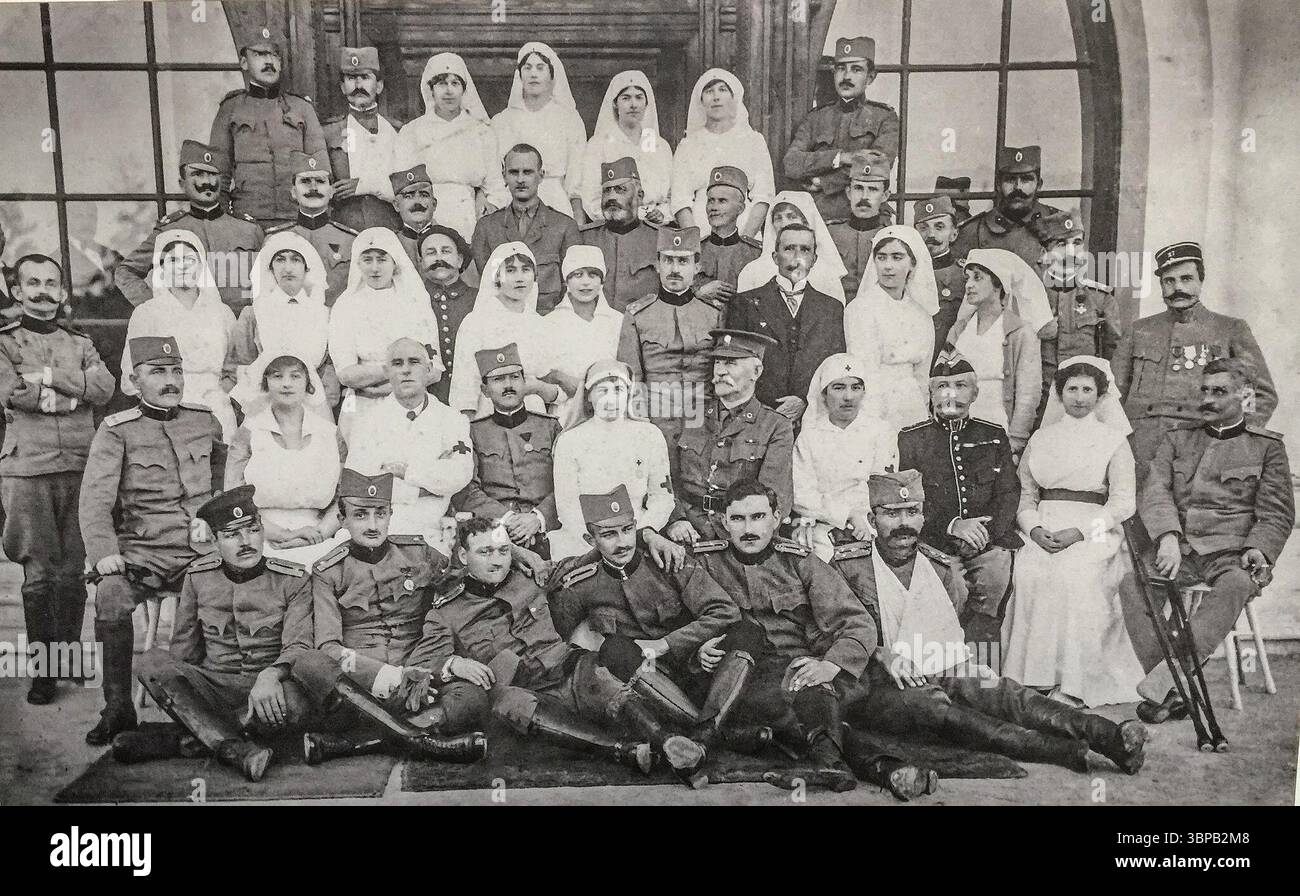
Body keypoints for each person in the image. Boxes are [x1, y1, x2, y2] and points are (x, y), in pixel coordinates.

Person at [835, 471, 1149, 776]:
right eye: (892, 513)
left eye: (912, 512)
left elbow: (948, 632)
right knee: (940, 707)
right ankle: (1063, 752)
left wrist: (961, 669)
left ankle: (1108, 735)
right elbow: (823, 634)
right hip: (875, 685)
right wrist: (879, 652)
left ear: (922, 517)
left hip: (934, 665)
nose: (904, 523)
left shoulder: (938, 568)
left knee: (1000, 691)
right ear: (873, 520)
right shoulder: (848, 567)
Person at [413, 516, 698, 777]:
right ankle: (624, 752)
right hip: (525, 691)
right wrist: (454, 664)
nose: (497, 561)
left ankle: (667, 741)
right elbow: (420, 662)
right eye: (484, 552)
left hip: (567, 669)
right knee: (511, 703)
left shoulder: (533, 575)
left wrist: (648, 534)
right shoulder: (447, 611)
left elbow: (597, 552)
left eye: (502, 551)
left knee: (598, 674)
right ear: (463, 556)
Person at [548, 485, 762, 774]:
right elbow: (560, 640)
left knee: (749, 630)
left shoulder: (668, 559)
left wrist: (670, 643)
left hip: (699, 670)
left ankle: (700, 737)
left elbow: (724, 611)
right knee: (614, 649)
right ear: (590, 538)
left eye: (627, 530)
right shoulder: (581, 584)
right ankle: (709, 733)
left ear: (636, 527)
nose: (622, 542)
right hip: (647, 684)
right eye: (609, 535)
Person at [79, 336, 226, 745]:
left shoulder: (203, 420)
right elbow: (93, 503)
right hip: (144, 552)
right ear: (133, 380)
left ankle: (218, 699)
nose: (170, 380)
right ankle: (118, 709)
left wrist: (212, 518)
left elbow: (225, 477)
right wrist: (104, 553)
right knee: (109, 595)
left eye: (176, 371)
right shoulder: (116, 432)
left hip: (202, 550)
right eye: (158, 372)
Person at [290, 469, 489, 765]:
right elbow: (330, 648)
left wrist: (520, 554)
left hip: (422, 679)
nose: (373, 525)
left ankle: (357, 743)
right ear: (342, 520)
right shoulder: (328, 572)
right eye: (360, 515)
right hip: (362, 688)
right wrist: (387, 677)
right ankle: (424, 740)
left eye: (380, 514)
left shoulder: (418, 554)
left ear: (390, 514)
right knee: (309, 663)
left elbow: (466, 572)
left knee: (473, 698)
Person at [690, 479, 877, 791]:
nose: (748, 529)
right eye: (738, 519)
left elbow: (857, 622)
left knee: (805, 679)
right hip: (735, 680)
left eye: (758, 517)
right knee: (796, 701)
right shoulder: (706, 563)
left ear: (777, 518)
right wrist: (699, 648)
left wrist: (831, 664)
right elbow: (682, 624)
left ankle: (832, 763)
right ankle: (853, 764)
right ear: (724, 522)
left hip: (795, 673)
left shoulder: (800, 562)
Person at [117, 486, 314, 781]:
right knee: (151, 662)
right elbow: (183, 650)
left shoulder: (294, 580)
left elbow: (299, 646)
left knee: (297, 703)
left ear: (262, 531)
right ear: (214, 540)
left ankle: (187, 738)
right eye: (232, 534)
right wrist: (183, 690)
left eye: (252, 530)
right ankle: (235, 748)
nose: (246, 542)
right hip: (215, 687)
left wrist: (271, 675)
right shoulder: (198, 578)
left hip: (269, 690)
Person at [1135, 358, 1293, 723]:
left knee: (1237, 584)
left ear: (1245, 396)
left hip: (1232, 551)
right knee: (1133, 584)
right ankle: (1171, 682)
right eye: (1204, 390)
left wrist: (1258, 548)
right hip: (1182, 547)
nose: (1207, 399)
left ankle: (1165, 685)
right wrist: (1168, 536)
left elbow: (1277, 513)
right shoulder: (1177, 439)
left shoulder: (1266, 447)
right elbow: (1155, 491)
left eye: (1219, 392)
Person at [0, 255, 115, 704]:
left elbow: (105, 387)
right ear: (17, 291)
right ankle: (43, 672)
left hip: (82, 465)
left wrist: (49, 378)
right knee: (40, 573)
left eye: (51, 283)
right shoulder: (5, 343)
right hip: (28, 467)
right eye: (33, 283)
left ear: (63, 293)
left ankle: (66, 659)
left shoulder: (81, 341)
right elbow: (13, 394)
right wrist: (74, 396)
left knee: (72, 573)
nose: (43, 291)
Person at [1002, 357, 1145, 706]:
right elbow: (1026, 493)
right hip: (1043, 524)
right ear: (1059, 393)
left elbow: (1124, 502)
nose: (1079, 397)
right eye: (1072, 389)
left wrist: (1081, 532)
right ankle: (1032, 676)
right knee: (1030, 571)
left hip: (1095, 527)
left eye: (1087, 390)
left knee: (1074, 575)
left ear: (1100, 396)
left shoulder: (1113, 440)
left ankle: (1074, 682)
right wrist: (1033, 528)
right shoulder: (1042, 437)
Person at [1111, 241, 1276, 480]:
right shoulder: (1139, 330)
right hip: (1141, 453)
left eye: (1186, 279)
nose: (1177, 287)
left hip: (1201, 450)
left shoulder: (1230, 329)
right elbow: (1112, 396)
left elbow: (1261, 395)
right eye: (1169, 281)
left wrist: (1232, 439)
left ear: (1201, 281)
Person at [897, 352, 1020, 650]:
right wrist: (953, 525)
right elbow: (910, 498)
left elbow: (1007, 492)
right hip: (934, 540)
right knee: (950, 590)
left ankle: (984, 677)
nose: (951, 393)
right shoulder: (911, 439)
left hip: (987, 541)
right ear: (930, 394)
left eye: (961, 385)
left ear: (975, 393)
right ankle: (947, 671)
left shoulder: (992, 435)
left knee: (994, 582)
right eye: (942, 386)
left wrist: (984, 533)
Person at [345, 337, 473, 551]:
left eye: (414, 362)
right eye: (397, 363)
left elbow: (460, 473)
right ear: (386, 371)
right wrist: (426, 490)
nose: (406, 370)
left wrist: (406, 472)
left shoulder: (452, 420)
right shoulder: (368, 421)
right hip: (380, 528)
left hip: (432, 530)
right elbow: (359, 485)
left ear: (429, 369)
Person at [667, 329, 794, 543]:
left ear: (756, 371)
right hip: (688, 530)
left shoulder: (775, 426)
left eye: (731, 363)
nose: (720, 372)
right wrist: (675, 520)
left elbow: (775, 497)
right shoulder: (690, 414)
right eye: (718, 362)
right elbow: (667, 479)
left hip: (743, 536)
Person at [115, 140, 264, 311]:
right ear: (182, 183)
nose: (206, 181)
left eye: (212, 174)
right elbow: (125, 272)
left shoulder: (249, 229)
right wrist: (155, 307)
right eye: (198, 174)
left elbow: (270, 279)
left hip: (241, 328)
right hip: (192, 330)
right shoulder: (169, 230)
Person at [549, 361, 676, 560]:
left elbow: (662, 497)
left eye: (618, 389)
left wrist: (644, 532)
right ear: (588, 396)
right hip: (584, 540)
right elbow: (567, 507)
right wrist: (598, 540)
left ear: (629, 393)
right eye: (602, 391)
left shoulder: (649, 435)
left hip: (637, 534)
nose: (611, 399)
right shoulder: (570, 441)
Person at [225, 354, 345, 566]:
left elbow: (346, 495)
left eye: (295, 376)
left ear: (308, 382)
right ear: (265, 382)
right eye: (277, 376)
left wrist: (321, 533)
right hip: (259, 537)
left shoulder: (329, 433)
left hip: (319, 538)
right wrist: (282, 534)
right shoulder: (249, 431)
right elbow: (232, 495)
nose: (287, 384)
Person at [208, 25, 329, 227]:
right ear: (244, 62)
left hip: (296, 218)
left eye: (274, 55)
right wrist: (223, 224)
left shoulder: (301, 108)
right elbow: (218, 174)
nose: (269, 61)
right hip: (247, 219)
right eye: (260, 54)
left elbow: (321, 169)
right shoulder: (231, 109)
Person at [121, 230, 237, 438]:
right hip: (167, 411)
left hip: (216, 408)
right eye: (173, 260)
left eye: (189, 260)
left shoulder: (222, 312)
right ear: (162, 268)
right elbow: (132, 374)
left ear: (201, 265)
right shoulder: (147, 313)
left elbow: (238, 363)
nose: (182, 266)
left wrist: (222, 392)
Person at [617, 226, 723, 453]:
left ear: (697, 267)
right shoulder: (638, 314)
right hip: (656, 420)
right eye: (668, 261)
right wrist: (640, 427)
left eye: (683, 262)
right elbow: (632, 378)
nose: (674, 269)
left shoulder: (714, 314)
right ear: (657, 265)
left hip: (703, 419)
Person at [328, 227, 442, 438]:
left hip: (411, 403)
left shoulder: (415, 302)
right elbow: (345, 374)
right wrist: (404, 372)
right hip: (362, 405)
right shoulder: (346, 305)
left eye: (381, 259)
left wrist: (386, 386)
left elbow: (434, 369)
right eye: (367, 260)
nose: (374, 268)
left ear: (394, 262)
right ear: (357, 263)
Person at [728, 223, 845, 420]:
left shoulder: (832, 309)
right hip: (758, 418)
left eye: (805, 250)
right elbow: (734, 366)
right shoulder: (745, 303)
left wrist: (805, 402)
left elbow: (836, 368)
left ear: (814, 259)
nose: (797, 257)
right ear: (775, 257)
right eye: (789, 248)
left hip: (813, 417)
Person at [455, 344, 561, 556]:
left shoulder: (550, 427)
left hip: (548, 529)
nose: (508, 385)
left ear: (524, 382)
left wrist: (538, 518)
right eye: (498, 380)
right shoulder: (473, 433)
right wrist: (508, 519)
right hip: (494, 530)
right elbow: (467, 491)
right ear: (485, 390)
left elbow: (567, 484)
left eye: (514, 377)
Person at [782, 35, 899, 225]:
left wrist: (823, 182)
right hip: (820, 219)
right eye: (841, 68)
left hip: (868, 220)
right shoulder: (816, 117)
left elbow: (876, 166)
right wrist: (841, 158)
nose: (846, 77)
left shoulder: (884, 117)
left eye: (856, 69)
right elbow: (792, 163)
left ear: (870, 77)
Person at [792, 353, 896, 562]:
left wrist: (863, 519)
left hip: (871, 525)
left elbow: (884, 488)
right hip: (823, 526)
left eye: (855, 387)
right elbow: (801, 494)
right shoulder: (810, 437)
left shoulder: (880, 431)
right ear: (823, 395)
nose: (848, 397)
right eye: (838, 388)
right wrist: (846, 514)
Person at [223, 231, 338, 420]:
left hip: (313, 406)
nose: (288, 268)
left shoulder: (325, 314)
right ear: (270, 268)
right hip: (264, 405)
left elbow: (329, 369)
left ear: (307, 267)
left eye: (295, 260)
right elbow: (241, 368)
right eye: (280, 260)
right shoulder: (253, 314)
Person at [946, 248, 1047, 452]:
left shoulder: (1020, 332)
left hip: (997, 425)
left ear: (997, 284)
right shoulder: (960, 329)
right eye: (967, 279)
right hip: (957, 424)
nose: (969, 285)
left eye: (978, 278)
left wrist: (1016, 441)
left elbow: (1028, 393)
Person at [394, 53, 498, 243]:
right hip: (424, 217)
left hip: (470, 218)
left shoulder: (481, 131)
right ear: (431, 90)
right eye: (442, 83)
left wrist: (487, 205)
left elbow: (496, 185)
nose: (449, 91)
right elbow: (403, 185)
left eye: (455, 83)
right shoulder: (412, 132)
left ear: (464, 90)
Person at [843, 225, 936, 433]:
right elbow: (864, 370)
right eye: (881, 257)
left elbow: (922, 374)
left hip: (912, 405)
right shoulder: (861, 309)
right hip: (876, 405)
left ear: (912, 263)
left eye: (897, 257)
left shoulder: (921, 313)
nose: (888, 266)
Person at [449, 242, 558, 418]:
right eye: (510, 270)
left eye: (526, 270)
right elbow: (465, 385)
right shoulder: (477, 321)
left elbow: (550, 383)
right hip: (489, 416)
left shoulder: (540, 324)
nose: (520, 278)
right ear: (497, 277)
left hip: (533, 414)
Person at [472, 144, 582, 314]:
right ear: (504, 176)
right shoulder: (487, 228)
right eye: (514, 172)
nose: (520, 179)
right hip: (502, 323)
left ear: (541, 175)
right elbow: (487, 287)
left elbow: (571, 288)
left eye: (528, 172)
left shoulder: (564, 227)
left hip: (549, 322)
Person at [671, 69, 774, 238]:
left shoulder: (753, 140)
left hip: (744, 229)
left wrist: (745, 241)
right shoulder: (688, 145)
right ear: (701, 100)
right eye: (709, 91)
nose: (716, 97)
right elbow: (680, 200)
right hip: (701, 230)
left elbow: (764, 196)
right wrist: (695, 241)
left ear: (734, 98)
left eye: (723, 90)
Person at [489, 42, 587, 219]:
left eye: (540, 68)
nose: (533, 74)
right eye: (527, 68)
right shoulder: (502, 121)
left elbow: (576, 172)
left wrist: (576, 208)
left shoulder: (569, 119)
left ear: (551, 75)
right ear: (520, 75)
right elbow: (495, 172)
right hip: (511, 200)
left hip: (555, 200)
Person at [537, 246, 624, 426]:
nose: (586, 282)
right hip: (565, 413)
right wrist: (559, 377)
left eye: (593, 275)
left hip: (610, 411)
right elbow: (541, 373)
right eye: (578, 275)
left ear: (602, 280)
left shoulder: (617, 321)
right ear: (566, 281)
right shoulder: (550, 323)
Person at [322, 47, 404, 232]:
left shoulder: (398, 131)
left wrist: (365, 184)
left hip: (390, 224)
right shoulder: (328, 133)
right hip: (344, 226)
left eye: (366, 77)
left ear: (380, 85)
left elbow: (407, 185)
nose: (358, 85)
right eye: (351, 78)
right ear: (343, 87)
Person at [576, 70, 673, 225]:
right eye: (626, 98)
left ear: (646, 103)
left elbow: (671, 195)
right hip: (614, 227)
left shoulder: (660, 146)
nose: (633, 104)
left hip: (655, 229)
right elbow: (590, 197)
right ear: (615, 103)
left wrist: (662, 214)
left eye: (639, 97)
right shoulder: (598, 144)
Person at [264, 150, 357, 306]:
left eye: (320, 181)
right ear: (294, 192)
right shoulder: (274, 239)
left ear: (332, 191)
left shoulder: (350, 240)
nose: (313, 187)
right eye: (305, 181)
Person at [950, 145, 1062, 269]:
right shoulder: (973, 231)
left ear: (1039, 185)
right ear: (998, 184)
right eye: (1010, 180)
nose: (1018, 187)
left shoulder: (1059, 225)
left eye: (1026, 180)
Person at [1037, 209, 1120, 368]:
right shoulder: (1031, 295)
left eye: (1076, 243)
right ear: (1044, 253)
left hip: (1082, 387)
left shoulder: (1100, 297)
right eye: (1061, 244)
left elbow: (1114, 351)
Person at [576, 156, 661, 311]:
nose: (611, 197)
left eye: (621, 190)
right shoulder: (584, 239)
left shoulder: (659, 240)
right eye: (607, 191)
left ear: (640, 196)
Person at [737, 190, 849, 303]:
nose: (784, 224)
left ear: (806, 223)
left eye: (792, 217)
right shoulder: (753, 271)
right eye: (778, 218)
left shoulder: (826, 274)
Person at [416, 225, 477, 405]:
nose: (439, 258)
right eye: (430, 253)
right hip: (427, 399)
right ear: (421, 263)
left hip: (471, 399)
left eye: (446, 251)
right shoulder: (413, 300)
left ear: (459, 260)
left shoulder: (479, 300)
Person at [826, 151, 893, 299]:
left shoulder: (892, 238)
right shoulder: (829, 235)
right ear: (849, 193)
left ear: (885, 196)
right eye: (858, 188)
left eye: (873, 189)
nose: (864, 197)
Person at [694, 165, 762, 305]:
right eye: (710, 200)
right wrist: (699, 293)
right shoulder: (693, 250)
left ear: (740, 208)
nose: (713, 207)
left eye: (722, 201)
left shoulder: (756, 254)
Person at [912, 195, 966, 364]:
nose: (931, 234)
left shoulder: (965, 276)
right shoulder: (906, 275)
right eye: (923, 228)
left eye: (939, 227)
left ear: (953, 234)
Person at [389, 163, 439, 266]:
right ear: (396, 205)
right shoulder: (390, 246)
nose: (417, 202)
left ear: (434, 204)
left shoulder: (450, 241)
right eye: (408, 196)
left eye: (424, 195)